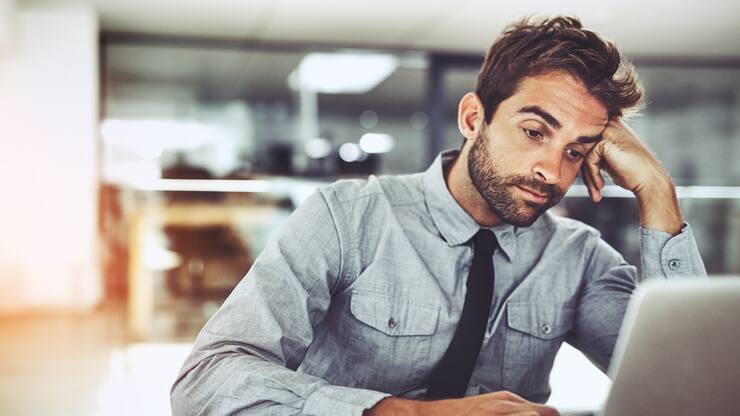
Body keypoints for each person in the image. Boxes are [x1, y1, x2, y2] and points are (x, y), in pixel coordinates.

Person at [171, 16, 706, 416]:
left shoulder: (580, 259)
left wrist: (657, 190)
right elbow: (207, 380)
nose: (552, 170)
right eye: (535, 131)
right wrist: (405, 413)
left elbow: (692, 392)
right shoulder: (348, 218)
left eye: (576, 150)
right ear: (474, 118)